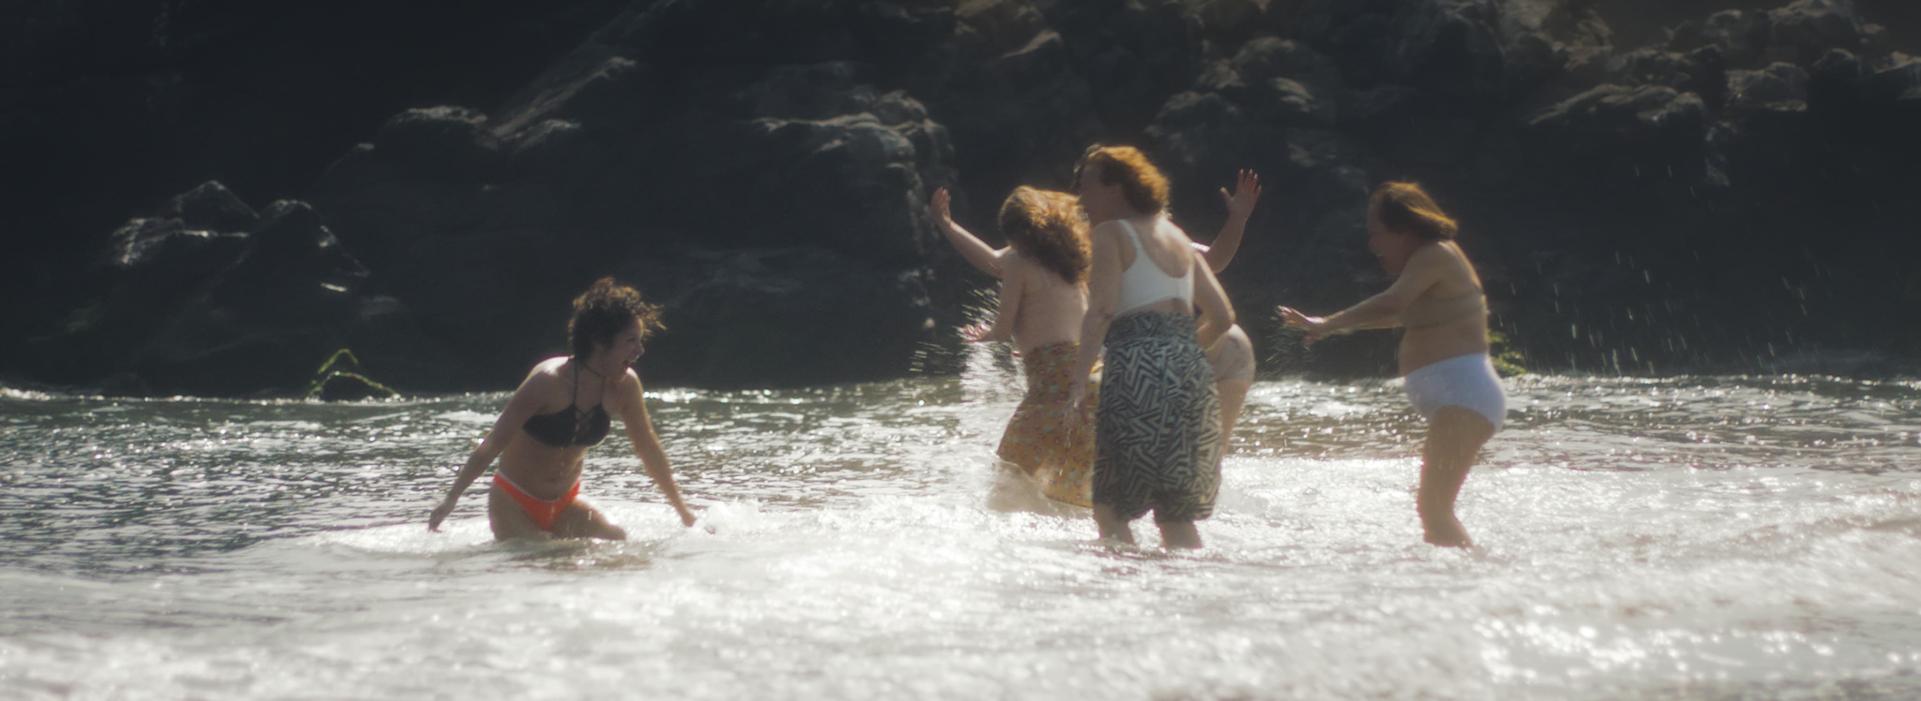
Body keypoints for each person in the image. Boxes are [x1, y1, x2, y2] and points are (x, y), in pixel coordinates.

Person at [1278, 182, 1502, 548]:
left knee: (1434, 510)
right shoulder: (1428, 264)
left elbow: (1393, 303)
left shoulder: (1436, 253)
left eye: (1376, 234)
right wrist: (1330, 326)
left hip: (1467, 397)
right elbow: (1400, 315)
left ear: (1406, 228)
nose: (1372, 246)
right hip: (1462, 397)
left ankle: (1477, 582)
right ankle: (1459, 581)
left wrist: (1330, 322)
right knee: (1433, 510)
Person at [427, 277, 698, 540]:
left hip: (565, 503)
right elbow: (493, 442)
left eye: (640, 341)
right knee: (549, 557)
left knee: (616, 540)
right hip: (514, 502)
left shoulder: (625, 386)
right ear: (599, 341)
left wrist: (683, 512)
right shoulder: (548, 382)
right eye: (631, 341)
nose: (640, 350)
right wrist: (451, 499)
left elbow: (647, 448)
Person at [1066, 145, 1236, 549]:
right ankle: (1184, 592)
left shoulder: (1111, 233)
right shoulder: (1177, 237)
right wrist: (1176, 351)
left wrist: (1078, 380)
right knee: (1176, 511)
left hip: (1134, 366)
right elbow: (1224, 317)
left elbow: (1102, 310)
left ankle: (1128, 601)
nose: (1081, 198)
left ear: (1118, 188)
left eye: (1087, 186)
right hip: (1191, 369)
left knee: (1110, 505)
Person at [930, 186, 1099, 506]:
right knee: (1072, 490)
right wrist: (948, 225)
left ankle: (1004, 550)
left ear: (1018, 234)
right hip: (1092, 380)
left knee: (1008, 476)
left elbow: (1004, 326)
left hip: (1053, 386)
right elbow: (994, 260)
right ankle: (1090, 552)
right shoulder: (1071, 261)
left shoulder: (1021, 262)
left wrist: (988, 334)